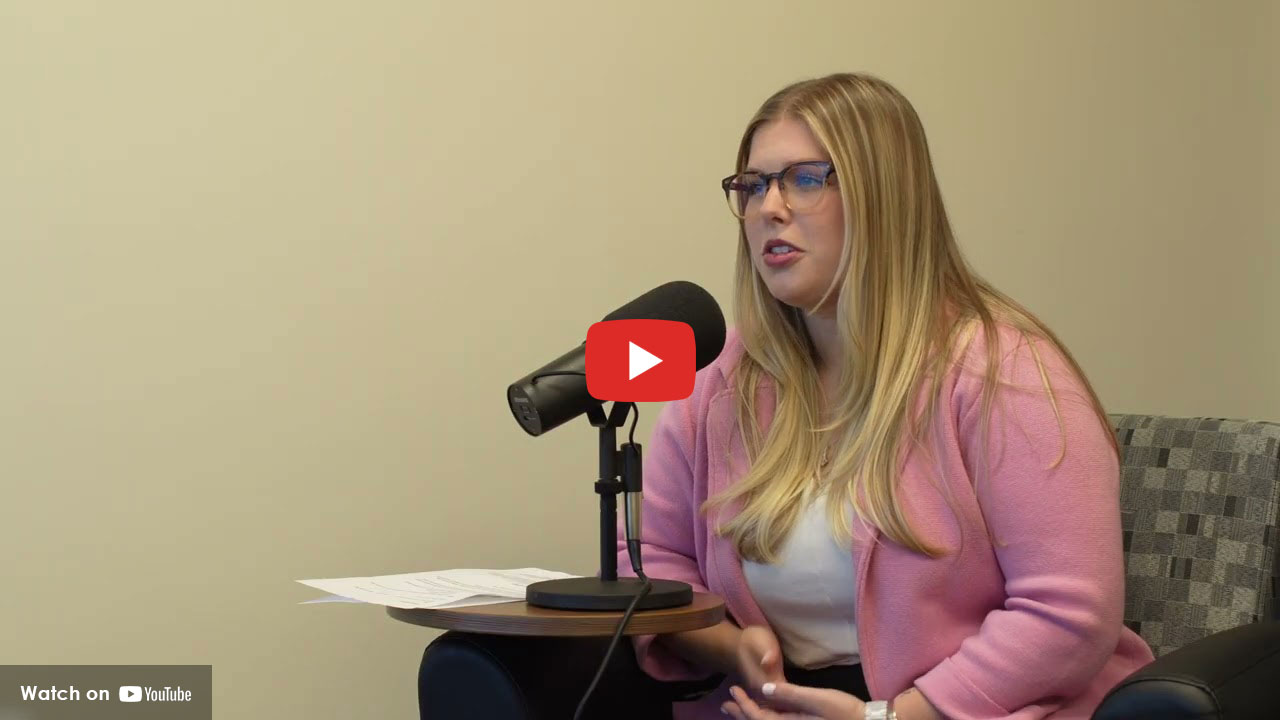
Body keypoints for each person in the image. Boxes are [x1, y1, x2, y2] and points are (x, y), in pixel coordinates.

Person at [615, 72, 1155, 720]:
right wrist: (733, 649)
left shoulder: (1003, 374)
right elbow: (648, 561)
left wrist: (892, 718)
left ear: (884, 195)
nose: (769, 208)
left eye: (804, 179)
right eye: (753, 185)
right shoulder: (724, 380)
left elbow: (1068, 614)